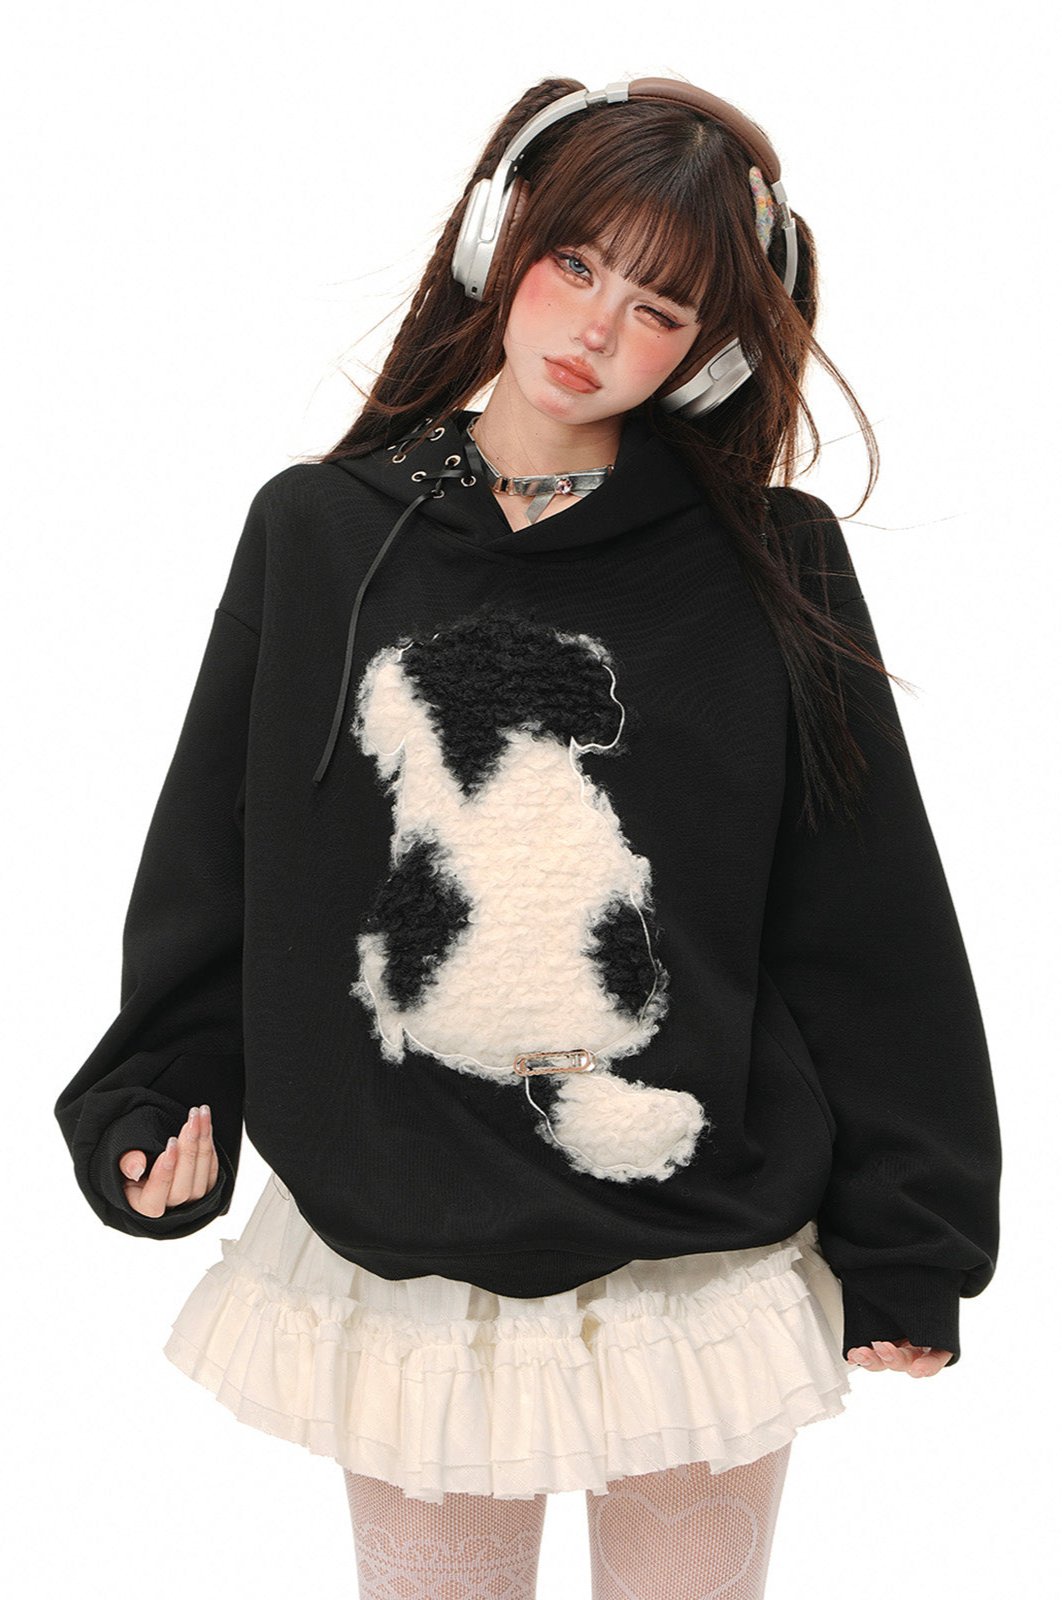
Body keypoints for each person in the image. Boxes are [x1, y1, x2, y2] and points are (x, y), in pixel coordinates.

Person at [54, 73, 1001, 1599]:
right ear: (498, 243)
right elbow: (224, 867)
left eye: (658, 307)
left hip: (696, 1250)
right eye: (575, 264)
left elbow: (864, 913)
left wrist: (910, 1235)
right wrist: (155, 1101)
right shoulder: (318, 534)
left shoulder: (770, 564)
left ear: (710, 347)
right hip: (404, 1242)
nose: (595, 328)